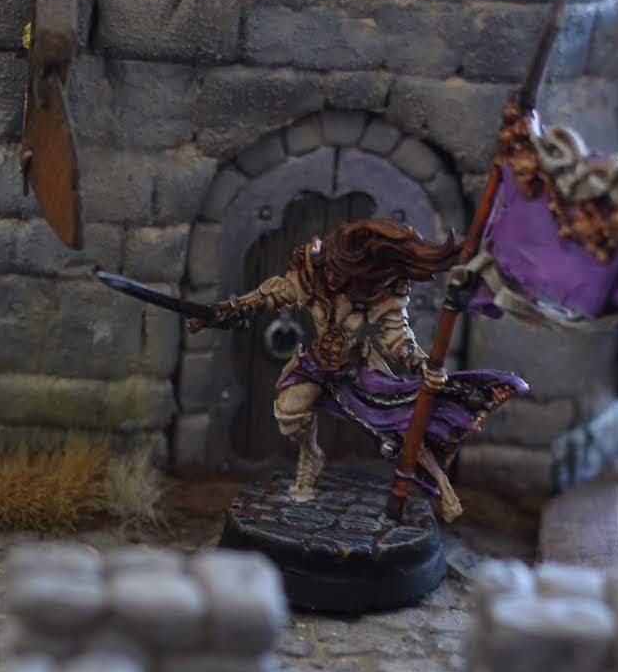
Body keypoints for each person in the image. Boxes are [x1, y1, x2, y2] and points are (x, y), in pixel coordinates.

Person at [188, 219, 527, 519]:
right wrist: (227, 310)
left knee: (397, 426)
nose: (338, 281)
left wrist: (422, 363)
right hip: (317, 363)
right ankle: (311, 455)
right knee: (289, 413)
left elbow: (398, 339)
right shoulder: (313, 271)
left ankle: (443, 488)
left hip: (356, 367)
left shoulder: (383, 291)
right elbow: (272, 294)